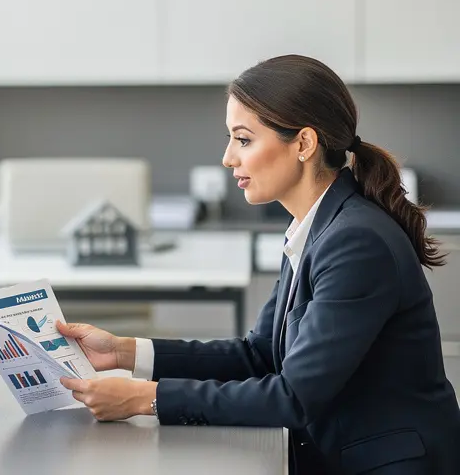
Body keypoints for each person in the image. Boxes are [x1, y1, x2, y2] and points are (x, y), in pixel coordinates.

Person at [57, 55, 460, 474]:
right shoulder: (316, 226)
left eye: (244, 140)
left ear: (304, 144)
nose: (229, 158)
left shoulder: (355, 241)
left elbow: (294, 396)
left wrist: (145, 398)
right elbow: (261, 356)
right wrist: (123, 352)